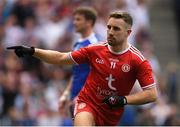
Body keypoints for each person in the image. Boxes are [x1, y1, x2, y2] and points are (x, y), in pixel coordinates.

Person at [7, 11, 158, 126]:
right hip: (87, 102)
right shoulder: (94, 50)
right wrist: (33, 51)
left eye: (116, 29)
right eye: (109, 27)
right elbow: (60, 57)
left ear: (128, 33)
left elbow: (151, 94)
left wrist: (124, 99)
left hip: (111, 113)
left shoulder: (138, 60)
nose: (110, 32)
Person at [58, 6, 99, 116]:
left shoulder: (94, 44)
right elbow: (76, 72)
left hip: (89, 100)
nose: (74, 22)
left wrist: (81, 96)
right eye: (74, 19)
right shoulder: (78, 44)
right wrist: (66, 94)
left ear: (89, 22)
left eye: (78, 19)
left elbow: (97, 75)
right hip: (75, 98)